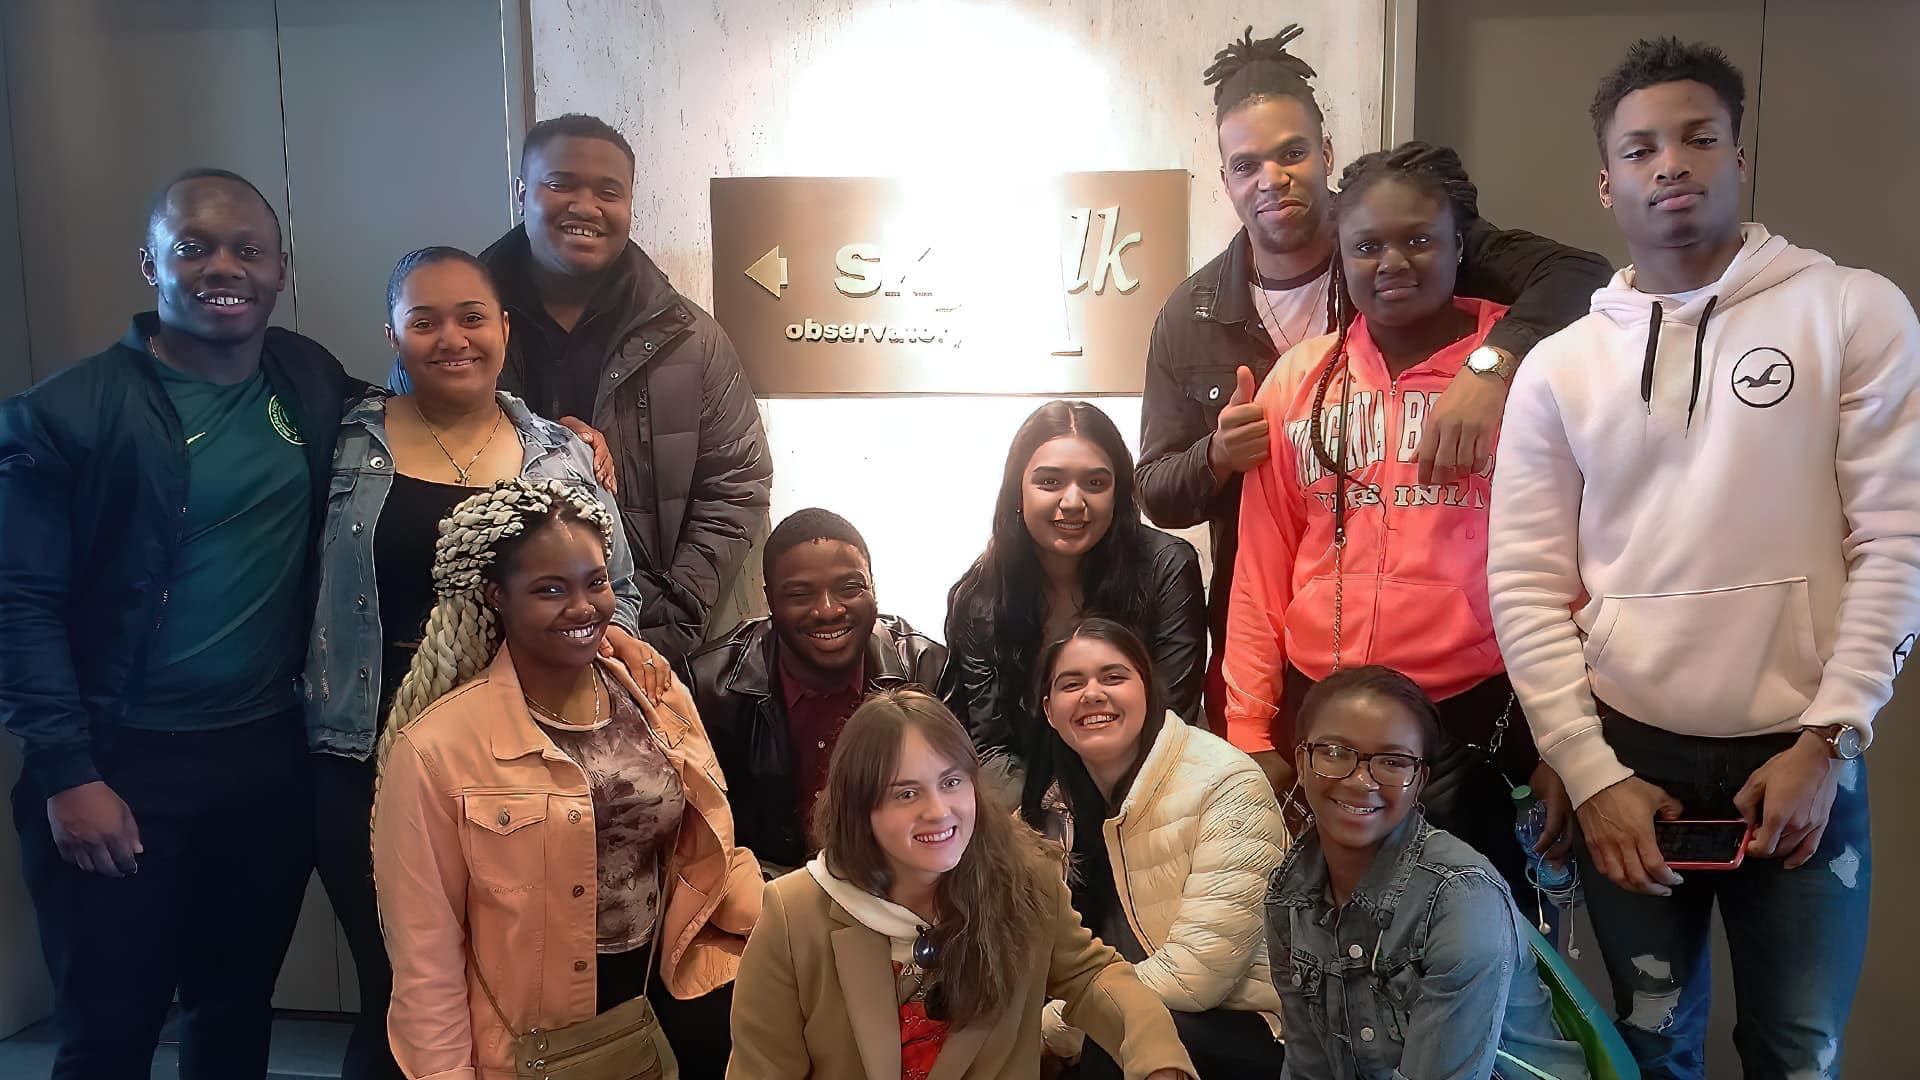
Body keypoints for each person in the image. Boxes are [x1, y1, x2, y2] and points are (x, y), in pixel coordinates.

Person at [1489, 38, 1920, 1078]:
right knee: (1649, 1045)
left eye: (1698, 139)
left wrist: (1831, 739)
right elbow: (1525, 584)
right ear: (1607, 183)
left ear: (1739, 158)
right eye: (1640, 149)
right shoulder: (1559, 367)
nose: (1670, 164)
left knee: (1799, 1051)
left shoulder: (1851, 311)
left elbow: (1896, 541)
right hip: (1632, 762)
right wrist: (1589, 771)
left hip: (1804, 758)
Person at [1136, 24, 1612, 759]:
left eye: (1292, 153)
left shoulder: (1433, 253)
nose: (1272, 178)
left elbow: (1579, 276)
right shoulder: (1199, 319)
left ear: (1325, 155)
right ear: (1225, 178)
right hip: (1315, 680)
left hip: (1478, 698)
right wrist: (1218, 455)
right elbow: (1199, 519)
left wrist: (1492, 367)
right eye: (1246, 164)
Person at [0, 169, 363, 1078]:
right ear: (151, 264)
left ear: (280, 268)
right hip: (121, 767)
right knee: (109, 1032)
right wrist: (67, 773)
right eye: (193, 248)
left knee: (234, 1014)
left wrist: (542, 426)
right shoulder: (64, 415)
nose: (222, 267)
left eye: (247, 249)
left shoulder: (307, 377)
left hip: (265, 763)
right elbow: (18, 604)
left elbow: (419, 416)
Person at [304, 246, 672, 1079]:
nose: (452, 338)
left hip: (526, 761)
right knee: (403, 987)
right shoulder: (343, 443)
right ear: (392, 335)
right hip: (366, 753)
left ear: (504, 327)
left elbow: (616, 596)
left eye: (472, 317)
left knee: (514, 991)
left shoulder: (559, 454)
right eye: (423, 320)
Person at [1223, 143, 1568, 908]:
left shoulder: (1529, 371)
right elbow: (1260, 566)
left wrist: (1564, 742)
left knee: (1479, 948)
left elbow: (1570, 561)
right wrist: (1249, 730)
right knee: (1335, 943)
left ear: (1458, 245)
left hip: (1476, 721)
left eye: (1418, 239)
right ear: (1340, 254)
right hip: (1325, 717)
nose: (1393, 263)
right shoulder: (1298, 382)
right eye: (1367, 246)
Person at [372, 476, 763, 1080]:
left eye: (596, 582)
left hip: (661, 1013)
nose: (582, 608)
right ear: (497, 595)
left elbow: (707, 852)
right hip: (528, 1048)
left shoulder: (656, 699)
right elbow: (426, 960)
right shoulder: (435, 750)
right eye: (550, 589)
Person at [726, 689, 1198, 1080]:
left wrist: (1156, 1055)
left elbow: (1088, 976)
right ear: (859, 809)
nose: (939, 811)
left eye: (952, 782)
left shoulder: (1026, 879)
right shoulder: (794, 914)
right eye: (906, 793)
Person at [481, 112, 770, 664]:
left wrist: (671, 611)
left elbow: (738, 480)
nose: (586, 207)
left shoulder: (690, 338)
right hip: (493, 649)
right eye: (561, 184)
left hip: (655, 646)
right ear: (521, 193)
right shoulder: (459, 336)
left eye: (608, 192)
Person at [1268, 666, 1589, 1080]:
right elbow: (1307, 1066)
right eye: (1335, 752)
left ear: (1420, 779)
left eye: (1393, 761)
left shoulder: (1462, 900)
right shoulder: (1290, 892)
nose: (1361, 780)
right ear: (1302, 761)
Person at [1021, 618, 1287, 1078]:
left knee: (1122, 1040)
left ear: (1147, 688)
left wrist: (1051, 1028)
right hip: (1118, 1013)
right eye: (1071, 684)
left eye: (1113, 677)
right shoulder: (1051, 805)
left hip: (1241, 1026)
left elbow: (1195, 976)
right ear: (1049, 710)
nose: (1092, 694)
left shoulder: (1226, 784)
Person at [946, 401, 1205, 780]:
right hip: (1028, 794)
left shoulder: (1167, 567)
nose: (1072, 502)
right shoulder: (979, 598)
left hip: (1154, 784)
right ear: (1018, 491)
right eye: (1049, 482)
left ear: (1118, 494)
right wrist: (1045, 814)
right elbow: (990, 746)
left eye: (1095, 483)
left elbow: (1171, 726)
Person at [691, 507, 947, 877]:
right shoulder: (709, 687)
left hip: (897, 875)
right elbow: (703, 834)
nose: (827, 610)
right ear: (770, 601)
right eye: (800, 594)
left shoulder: (926, 670)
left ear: (873, 587)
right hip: (767, 882)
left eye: (849, 588)